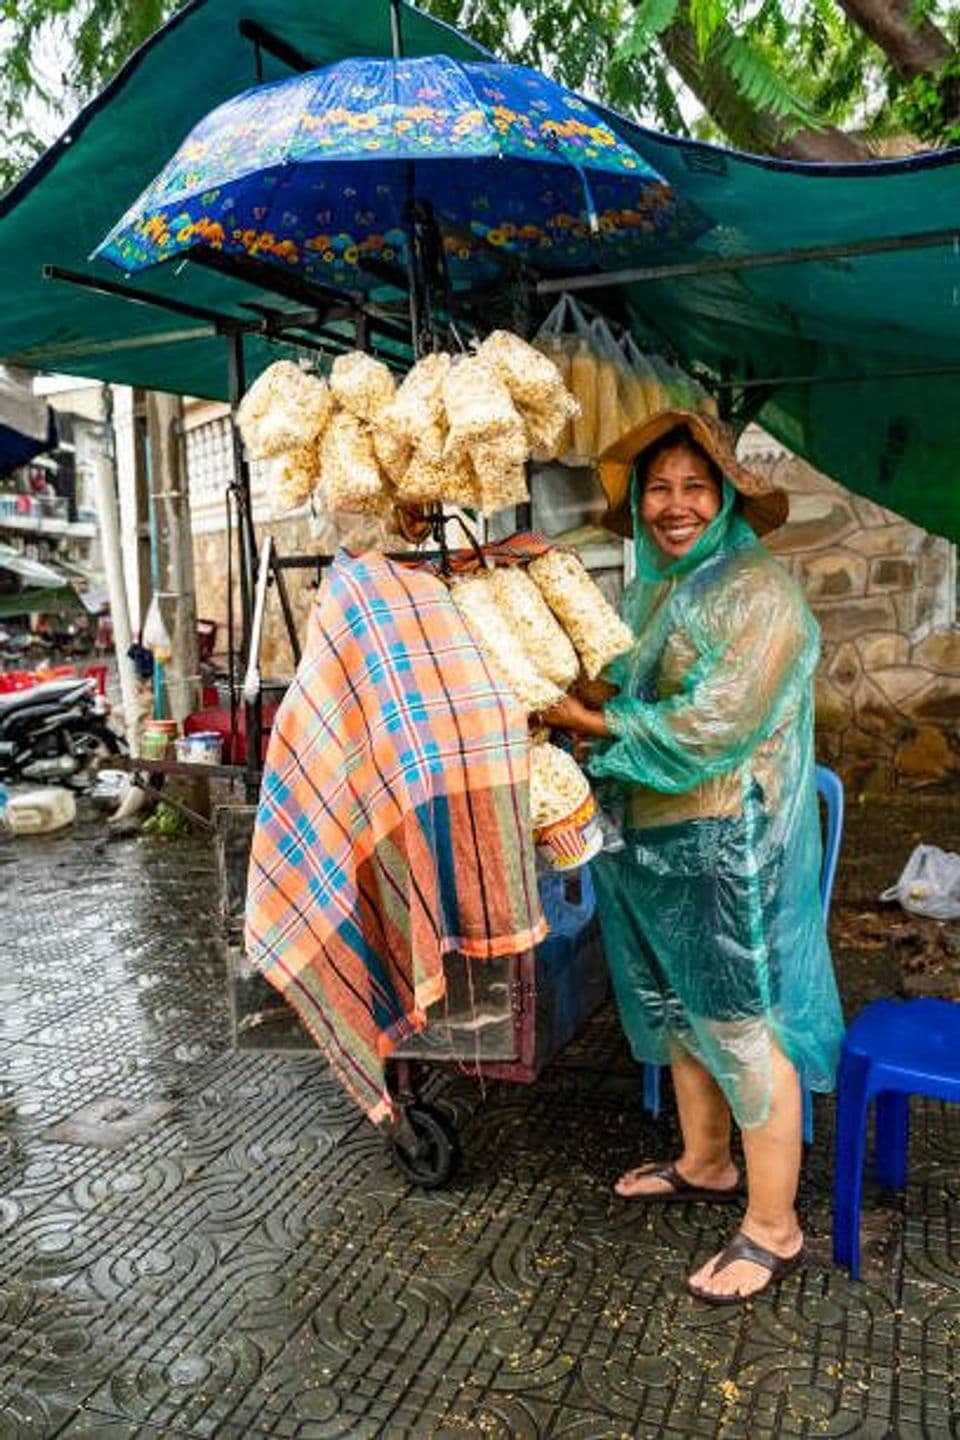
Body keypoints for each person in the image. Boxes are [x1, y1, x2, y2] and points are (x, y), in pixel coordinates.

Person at [543, 409, 844, 1306]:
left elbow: (709, 727)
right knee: (674, 1012)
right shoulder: (657, 590)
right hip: (644, 841)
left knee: (738, 1023)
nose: (674, 505)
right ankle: (706, 1163)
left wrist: (586, 721)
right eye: (658, 489)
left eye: (693, 487)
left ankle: (774, 1226)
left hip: (721, 844)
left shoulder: (758, 594)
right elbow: (623, 681)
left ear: (724, 501)